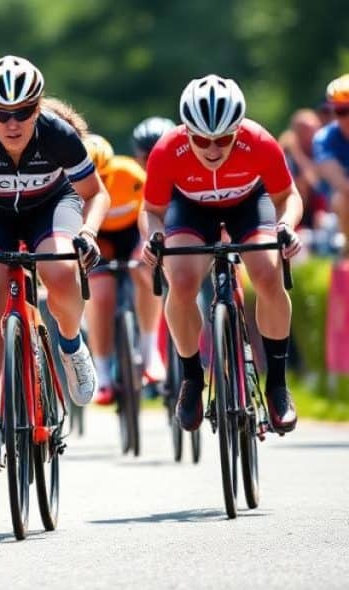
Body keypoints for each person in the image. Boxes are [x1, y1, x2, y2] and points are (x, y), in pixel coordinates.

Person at [0, 54, 108, 471]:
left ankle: (70, 344)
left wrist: (89, 232)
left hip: (51, 206)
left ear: (39, 106)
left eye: (24, 112)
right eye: (0, 113)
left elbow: (96, 194)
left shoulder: (58, 135)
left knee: (59, 270)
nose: (13, 123)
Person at [141, 75, 303, 434]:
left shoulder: (259, 141)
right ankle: (192, 379)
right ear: (186, 131)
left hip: (250, 204)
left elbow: (287, 197)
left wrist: (286, 226)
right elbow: (151, 209)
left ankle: (277, 384)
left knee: (266, 271)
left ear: (238, 130)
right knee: (180, 281)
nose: (213, 149)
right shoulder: (167, 149)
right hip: (191, 209)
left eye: (224, 139)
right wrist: (152, 237)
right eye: (201, 140)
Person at [82, 134, 164, 404]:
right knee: (101, 294)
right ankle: (103, 375)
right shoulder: (70, 183)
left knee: (145, 268)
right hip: (97, 237)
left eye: (104, 177)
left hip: (131, 233)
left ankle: (150, 350)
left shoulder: (130, 173)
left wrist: (144, 243)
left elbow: (148, 209)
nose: (99, 185)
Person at [312, 75, 349, 253]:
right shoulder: (324, 139)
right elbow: (342, 185)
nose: (347, 118)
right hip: (336, 207)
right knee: (344, 198)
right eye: (341, 112)